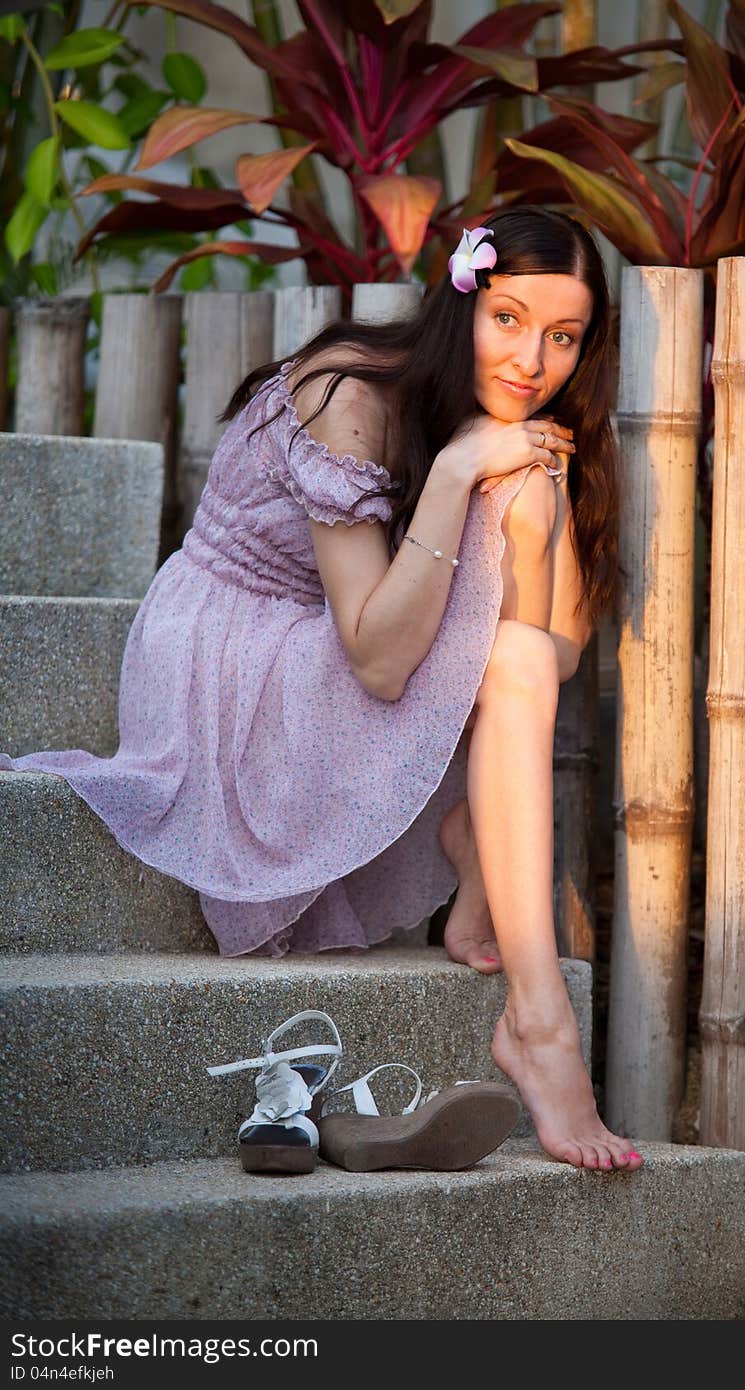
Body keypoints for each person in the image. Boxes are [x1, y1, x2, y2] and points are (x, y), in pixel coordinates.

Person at [2, 205, 642, 1171]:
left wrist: (523, 508)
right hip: (229, 655)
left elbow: (543, 657)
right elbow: (380, 660)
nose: (530, 360)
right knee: (504, 524)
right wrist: (462, 467)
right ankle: (540, 1022)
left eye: (562, 336)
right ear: (458, 303)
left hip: (354, 644)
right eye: (505, 318)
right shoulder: (348, 392)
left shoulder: (532, 441)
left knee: (525, 540)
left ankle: (499, 907)